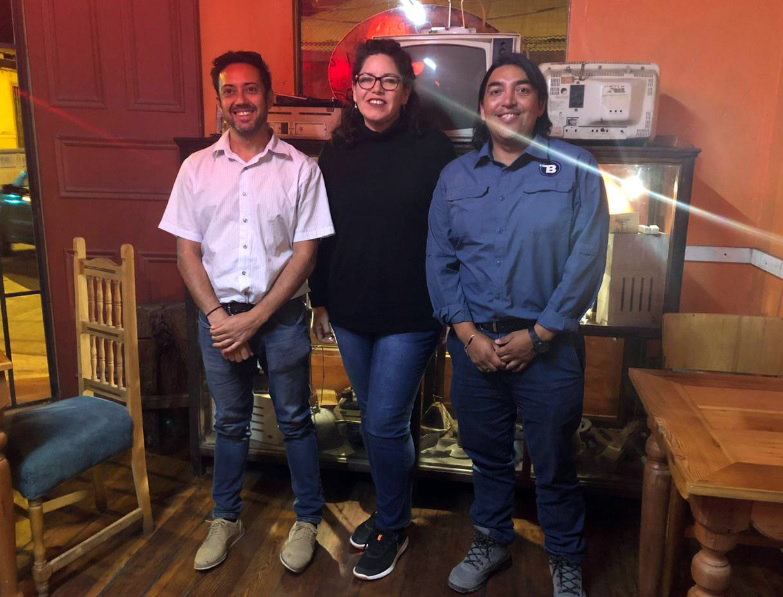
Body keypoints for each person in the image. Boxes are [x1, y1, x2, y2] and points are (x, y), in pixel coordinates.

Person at [426, 53, 608, 596]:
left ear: (540, 103)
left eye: (521, 89)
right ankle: (492, 540)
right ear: (482, 106)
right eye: (496, 91)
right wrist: (467, 336)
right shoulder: (454, 176)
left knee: (554, 461)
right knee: (487, 457)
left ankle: (565, 556)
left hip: (548, 347)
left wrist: (540, 335)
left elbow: (587, 258)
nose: (508, 100)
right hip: (475, 347)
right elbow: (440, 261)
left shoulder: (576, 166)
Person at [159, 51, 334, 574]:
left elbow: (306, 255)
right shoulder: (196, 168)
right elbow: (186, 252)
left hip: (280, 318)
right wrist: (219, 319)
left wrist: (254, 320)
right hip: (217, 318)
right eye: (229, 91)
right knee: (230, 422)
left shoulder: (301, 168)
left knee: (295, 420)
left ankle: (308, 519)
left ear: (270, 97)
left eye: (251, 89)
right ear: (219, 101)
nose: (241, 100)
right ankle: (225, 518)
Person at [309, 39, 455, 581]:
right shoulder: (336, 151)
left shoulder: (433, 150)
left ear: (406, 91)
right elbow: (321, 232)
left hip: (412, 312)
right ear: (353, 90)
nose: (377, 89)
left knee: (386, 422)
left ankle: (393, 525)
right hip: (350, 309)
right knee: (377, 421)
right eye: (367, 80)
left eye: (388, 80)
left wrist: (450, 304)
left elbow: (450, 233)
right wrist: (320, 298)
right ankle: (392, 510)